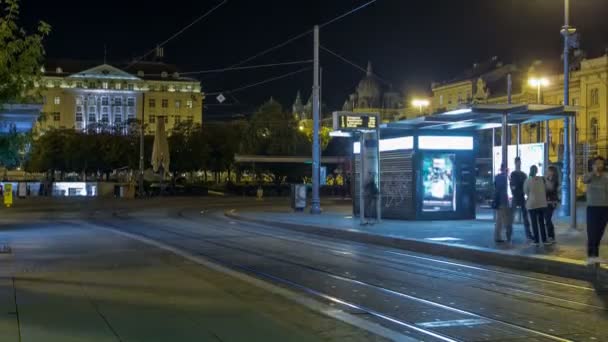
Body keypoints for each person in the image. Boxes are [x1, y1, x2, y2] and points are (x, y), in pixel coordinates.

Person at [582, 156, 608, 264]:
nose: (599, 165)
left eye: (601, 163)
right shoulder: (589, 176)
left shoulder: (606, 177)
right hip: (592, 208)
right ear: (592, 165)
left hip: (605, 208)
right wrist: (593, 172)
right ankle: (591, 256)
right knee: (592, 232)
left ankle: (595, 256)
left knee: (600, 232)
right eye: (596, 163)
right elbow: (584, 180)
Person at [524, 165, 548, 246]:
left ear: (530, 171)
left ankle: (537, 241)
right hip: (542, 204)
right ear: (536, 171)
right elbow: (546, 188)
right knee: (541, 222)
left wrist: (531, 195)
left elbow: (526, 191)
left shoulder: (528, 180)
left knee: (534, 223)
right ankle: (544, 240)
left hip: (532, 204)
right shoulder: (542, 179)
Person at [510, 157, 533, 242]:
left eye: (519, 162)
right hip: (517, 196)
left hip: (520, 196)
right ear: (515, 163)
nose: (519, 164)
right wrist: (516, 190)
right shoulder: (515, 174)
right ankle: (509, 233)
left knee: (525, 216)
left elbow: (514, 185)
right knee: (513, 216)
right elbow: (513, 185)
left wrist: (517, 190)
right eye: (517, 162)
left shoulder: (522, 174)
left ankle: (528, 234)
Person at [494, 163, 512, 243]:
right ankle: (506, 236)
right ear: (504, 169)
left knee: (499, 220)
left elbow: (496, 187)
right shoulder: (504, 177)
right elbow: (505, 187)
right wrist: (508, 175)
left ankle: (497, 236)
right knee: (506, 220)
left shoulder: (497, 177)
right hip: (503, 201)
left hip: (498, 200)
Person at [544, 165, 560, 244]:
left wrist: (546, 179)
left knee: (547, 219)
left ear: (553, 172)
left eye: (549, 171)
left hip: (551, 202)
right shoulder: (546, 179)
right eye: (548, 171)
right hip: (546, 202)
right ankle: (550, 236)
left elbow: (551, 188)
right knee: (547, 219)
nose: (548, 172)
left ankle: (551, 237)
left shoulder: (554, 181)